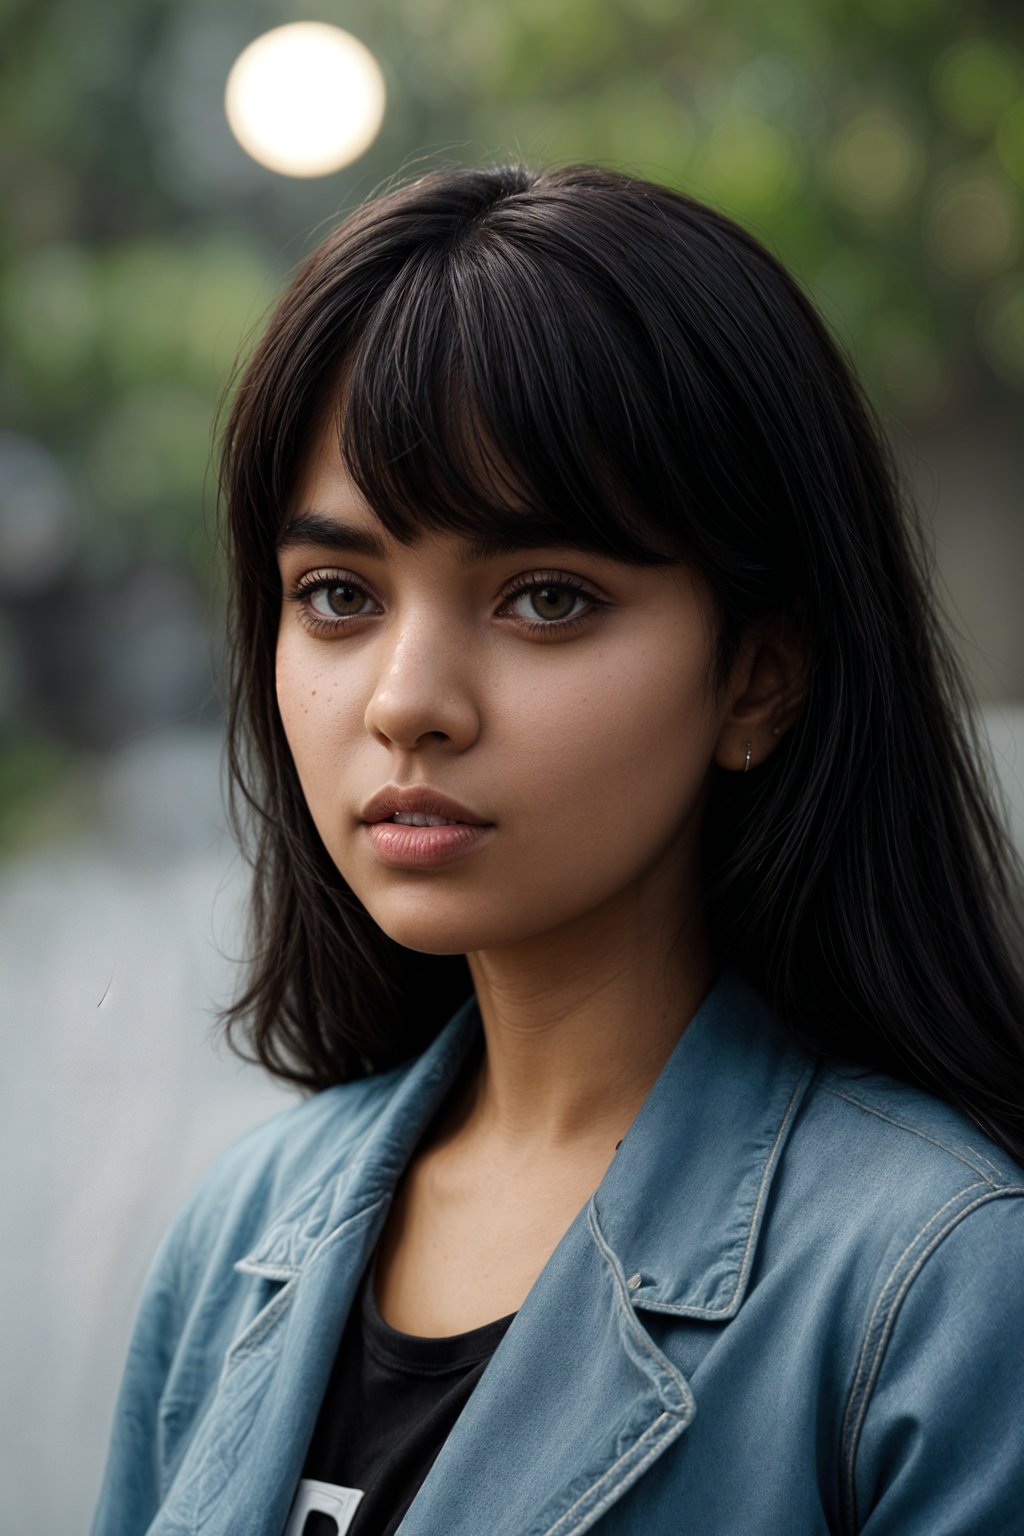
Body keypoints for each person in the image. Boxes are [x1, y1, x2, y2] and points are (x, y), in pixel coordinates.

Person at [90, 163, 1024, 1536]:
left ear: (759, 676)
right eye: (338, 594)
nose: (408, 700)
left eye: (543, 598)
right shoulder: (240, 1238)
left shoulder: (938, 1288)